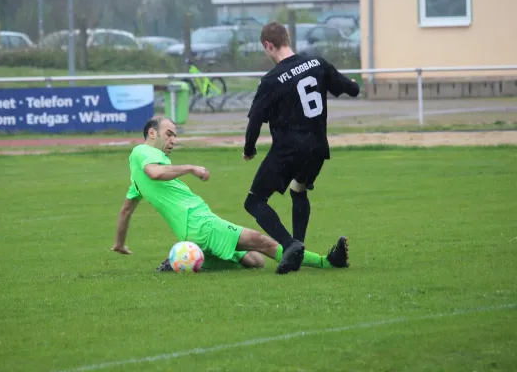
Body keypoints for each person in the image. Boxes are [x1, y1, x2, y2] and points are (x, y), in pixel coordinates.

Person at [111, 116, 350, 274]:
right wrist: (191, 168)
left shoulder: (137, 179)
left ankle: (187, 261)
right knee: (263, 241)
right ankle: (327, 262)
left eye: (175, 135)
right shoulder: (142, 152)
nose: (173, 139)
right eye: (169, 134)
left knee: (255, 261)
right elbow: (154, 172)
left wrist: (119, 244)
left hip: (195, 226)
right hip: (200, 223)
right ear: (152, 134)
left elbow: (125, 210)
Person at [242, 22, 359, 260]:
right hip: (317, 148)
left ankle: (289, 244)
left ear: (268, 45)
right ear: (287, 39)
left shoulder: (272, 80)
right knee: (298, 190)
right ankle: (298, 250)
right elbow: (349, 88)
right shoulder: (317, 63)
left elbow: (255, 121)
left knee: (254, 202)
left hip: (288, 150)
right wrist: (355, 87)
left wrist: (249, 148)